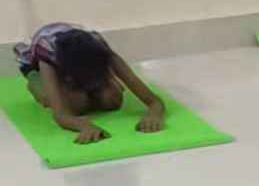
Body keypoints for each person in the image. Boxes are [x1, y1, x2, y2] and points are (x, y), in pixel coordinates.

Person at [12, 23, 168, 146]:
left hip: (83, 60)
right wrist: (84, 126)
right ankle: (36, 82)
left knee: (111, 100)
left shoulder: (102, 51)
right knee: (74, 104)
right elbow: (61, 114)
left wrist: (153, 115)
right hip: (37, 64)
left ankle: (102, 83)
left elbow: (154, 101)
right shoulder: (48, 55)